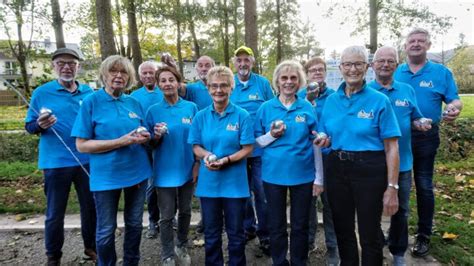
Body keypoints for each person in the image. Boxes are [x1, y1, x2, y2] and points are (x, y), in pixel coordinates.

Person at [318, 45, 401, 264]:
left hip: (370, 170)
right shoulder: (331, 101)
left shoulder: (379, 101)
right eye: (347, 64)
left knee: (369, 233)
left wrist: (392, 187)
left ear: (367, 67)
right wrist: (324, 138)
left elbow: (392, 147)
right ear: (340, 67)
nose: (352, 69)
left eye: (358, 64)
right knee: (343, 229)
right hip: (337, 168)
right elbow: (326, 133)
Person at [72, 55, 152, 266]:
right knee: (106, 230)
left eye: (124, 72)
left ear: (130, 77)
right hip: (106, 176)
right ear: (104, 75)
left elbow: (143, 134)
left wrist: (150, 136)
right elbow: (82, 145)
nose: (119, 75)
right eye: (113, 71)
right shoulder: (91, 101)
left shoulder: (134, 102)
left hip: (137, 173)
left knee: (134, 224)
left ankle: (131, 262)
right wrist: (121, 141)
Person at [394, 28, 463, 257]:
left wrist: (454, 109)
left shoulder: (441, 72)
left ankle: (423, 236)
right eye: (411, 41)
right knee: (395, 185)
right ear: (405, 46)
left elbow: (454, 100)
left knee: (423, 185)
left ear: (428, 45)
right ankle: (396, 233)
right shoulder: (395, 72)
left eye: (420, 41)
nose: (415, 44)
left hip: (426, 138)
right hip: (398, 138)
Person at [24, 48, 97, 265]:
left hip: (86, 160)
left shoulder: (89, 93)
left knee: (90, 208)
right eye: (61, 63)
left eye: (71, 63)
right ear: (53, 66)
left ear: (78, 67)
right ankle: (53, 256)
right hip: (55, 163)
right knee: (55, 213)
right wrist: (39, 124)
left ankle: (91, 248)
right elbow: (29, 126)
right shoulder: (41, 93)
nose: (67, 67)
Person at [255, 60, 323, 266]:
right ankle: (279, 261)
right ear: (277, 81)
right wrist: (272, 135)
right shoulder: (266, 108)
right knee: (275, 225)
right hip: (272, 176)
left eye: (293, 77)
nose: (288, 82)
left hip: (303, 176)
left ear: (300, 81)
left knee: (300, 225)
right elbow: (257, 142)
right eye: (284, 78)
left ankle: (298, 261)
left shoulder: (307, 108)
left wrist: (319, 178)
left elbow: (316, 144)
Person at [369, 45, 432, 265]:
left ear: (397, 65)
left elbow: (415, 116)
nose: (385, 65)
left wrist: (420, 122)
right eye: (380, 61)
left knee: (400, 210)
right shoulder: (365, 91)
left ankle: (397, 253)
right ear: (373, 65)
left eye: (390, 61)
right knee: (371, 210)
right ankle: (376, 245)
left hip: (402, 163)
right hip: (372, 164)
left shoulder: (407, 90)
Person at [188, 66, 254, 265]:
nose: (219, 90)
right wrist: (207, 155)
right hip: (209, 186)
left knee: (236, 234)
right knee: (212, 233)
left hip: (235, 185)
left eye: (224, 85)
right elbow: (195, 146)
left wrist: (226, 160)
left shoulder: (242, 115)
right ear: (208, 88)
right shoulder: (200, 116)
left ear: (231, 88)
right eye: (214, 86)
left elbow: (248, 148)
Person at [145, 66, 198, 266]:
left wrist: (197, 164)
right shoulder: (153, 111)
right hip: (164, 170)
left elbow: (197, 139)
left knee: (185, 211)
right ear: (158, 85)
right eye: (163, 81)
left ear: (178, 82)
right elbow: (148, 144)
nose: (167, 84)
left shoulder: (191, 108)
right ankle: (167, 253)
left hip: (187, 167)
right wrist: (156, 137)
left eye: (171, 80)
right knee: (167, 215)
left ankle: (181, 245)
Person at [231, 45, 274, 255]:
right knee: (241, 194)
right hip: (237, 151)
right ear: (234, 63)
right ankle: (248, 228)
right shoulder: (230, 83)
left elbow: (272, 109)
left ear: (252, 62)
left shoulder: (263, 83)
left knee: (262, 194)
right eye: (239, 60)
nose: (242, 63)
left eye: (246, 59)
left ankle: (265, 235)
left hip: (259, 150)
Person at [298, 57, 339, 264]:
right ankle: (308, 242)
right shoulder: (299, 96)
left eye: (320, 70)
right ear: (307, 74)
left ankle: (332, 247)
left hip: (329, 158)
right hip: (306, 160)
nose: (317, 73)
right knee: (307, 204)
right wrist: (308, 99)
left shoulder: (335, 97)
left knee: (330, 204)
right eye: (313, 70)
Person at [130, 61, 163, 239]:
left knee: (169, 183)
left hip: (165, 144)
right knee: (151, 186)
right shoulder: (134, 97)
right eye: (145, 73)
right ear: (140, 76)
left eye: (151, 73)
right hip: (144, 146)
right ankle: (153, 220)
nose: (148, 76)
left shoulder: (164, 91)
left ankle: (170, 217)